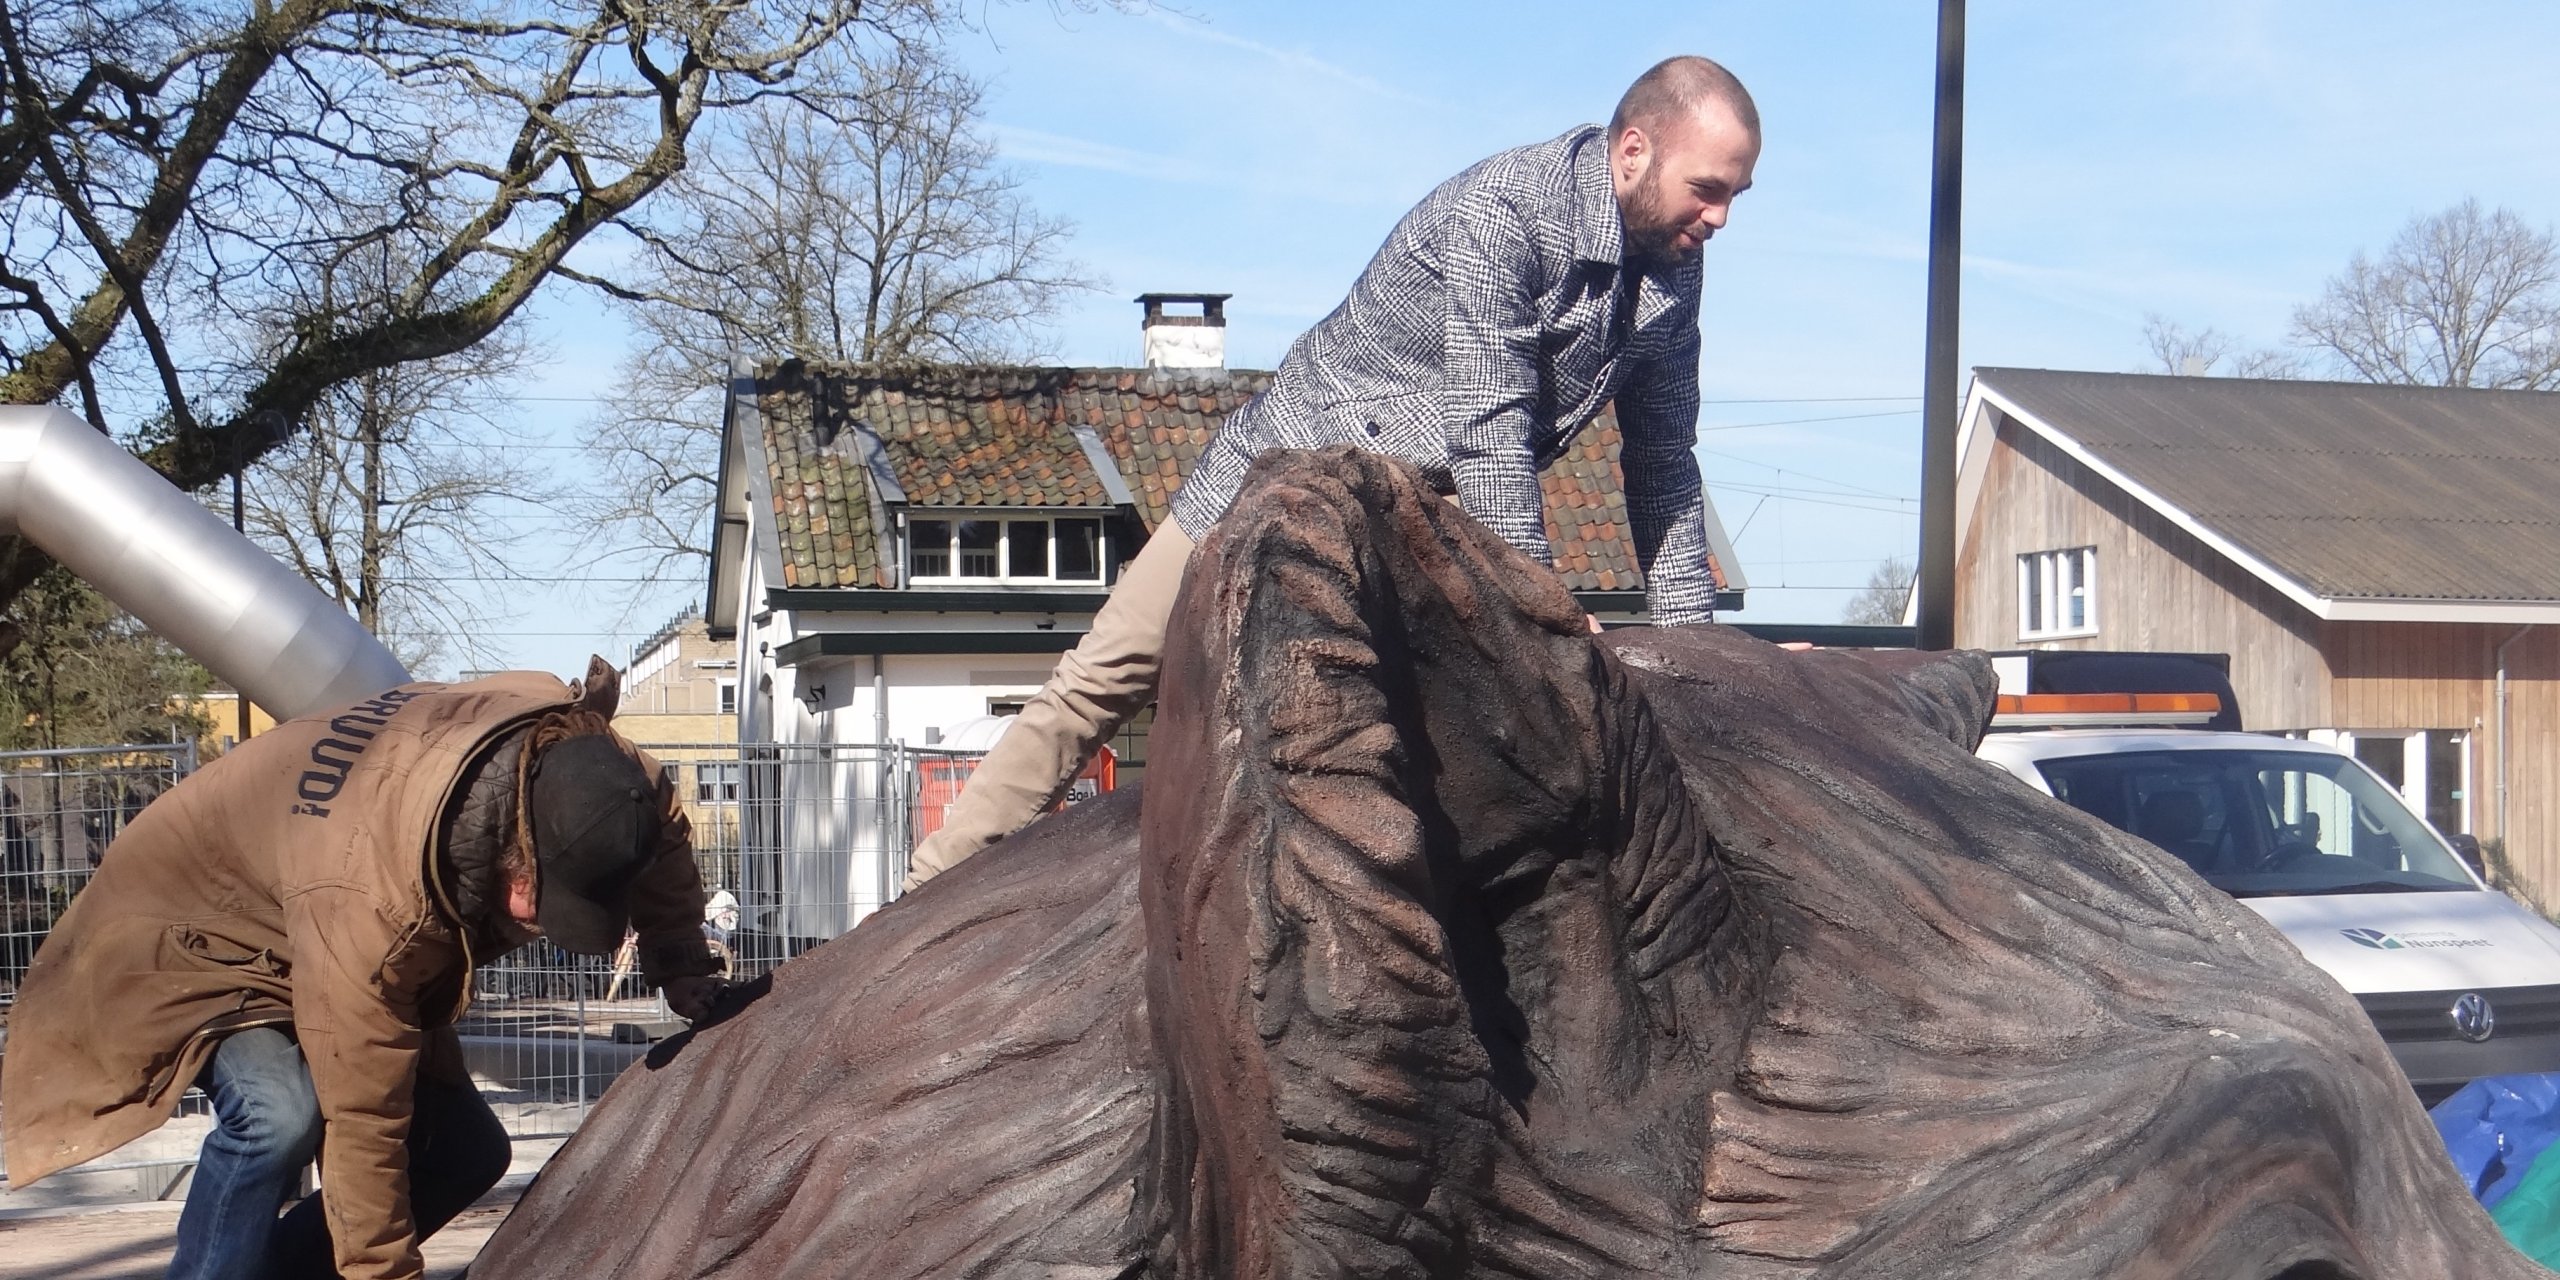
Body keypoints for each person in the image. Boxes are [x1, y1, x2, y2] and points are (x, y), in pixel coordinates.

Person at [903, 54, 1760, 891]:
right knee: (1101, 680)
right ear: (1633, 150)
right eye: (1707, 189)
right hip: (1280, 479)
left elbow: (1662, 460)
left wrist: (1698, 655)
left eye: (1735, 195)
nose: (1719, 217)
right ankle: (923, 893)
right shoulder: (1503, 212)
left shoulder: (1675, 267)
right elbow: (1491, 436)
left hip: (1423, 520)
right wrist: (1547, 617)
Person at [0, 658, 725, 1280]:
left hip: (301, 902)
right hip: (198, 932)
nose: (542, 928)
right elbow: (364, 1118)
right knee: (279, 1117)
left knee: (469, 1151)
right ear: (514, 852)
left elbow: (659, 836)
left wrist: (681, 960)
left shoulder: (594, 766)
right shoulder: (375, 899)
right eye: (546, 901)